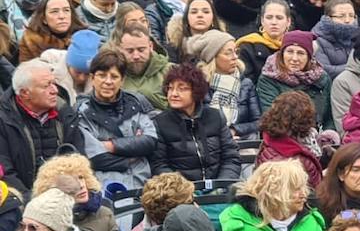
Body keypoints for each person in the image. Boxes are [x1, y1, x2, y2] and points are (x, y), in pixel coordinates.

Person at [77, 49, 158, 191]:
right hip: (102, 186)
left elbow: (150, 141)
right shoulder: (82, 111)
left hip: (141, 182)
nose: (108, 82)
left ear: (122, 80)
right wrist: (133, 156)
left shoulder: (136, 102)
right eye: (102, 76)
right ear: (92, 78)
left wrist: (111, 146)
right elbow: (94, 158)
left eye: (114, 77)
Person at [150, 62, 243, 184]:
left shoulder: (215, 116)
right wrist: (184, 190)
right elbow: (159, 165)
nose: (174, 94)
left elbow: (231, 157)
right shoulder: (160, 123)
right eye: (170, 88)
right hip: (182, 194)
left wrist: (221, 186)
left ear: (196, 91)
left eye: (182, 89)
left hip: (220, 188)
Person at [0, 61, 82, 195]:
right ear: (25, 93)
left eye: (53, 83)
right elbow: (6, 173)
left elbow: (78, 159)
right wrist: (31, 203)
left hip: (65, 196)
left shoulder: (65, 113)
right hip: (20, 200)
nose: (55, 90)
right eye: (46, 86)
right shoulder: (4, 120)